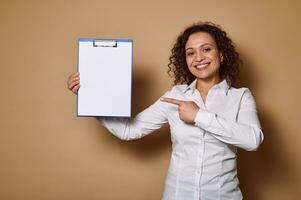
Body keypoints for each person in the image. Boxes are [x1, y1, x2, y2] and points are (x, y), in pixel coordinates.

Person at [67, 22, 264, 200]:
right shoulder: (175, 96)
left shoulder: (241, 97)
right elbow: (129, 130)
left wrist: (198, 116)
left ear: (221, 54)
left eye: (206, 49)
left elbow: (252, 140)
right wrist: (90, 99)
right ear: (185, 59)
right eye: (190, 52)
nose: (199, 58)